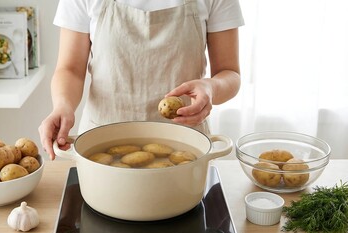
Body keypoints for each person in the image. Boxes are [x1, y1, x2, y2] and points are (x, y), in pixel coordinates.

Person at [39, 0, 244, 160]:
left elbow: (229, 73)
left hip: (186, 147)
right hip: (101, 145)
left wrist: (211, 88)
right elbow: (70, 69)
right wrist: (62, 106)